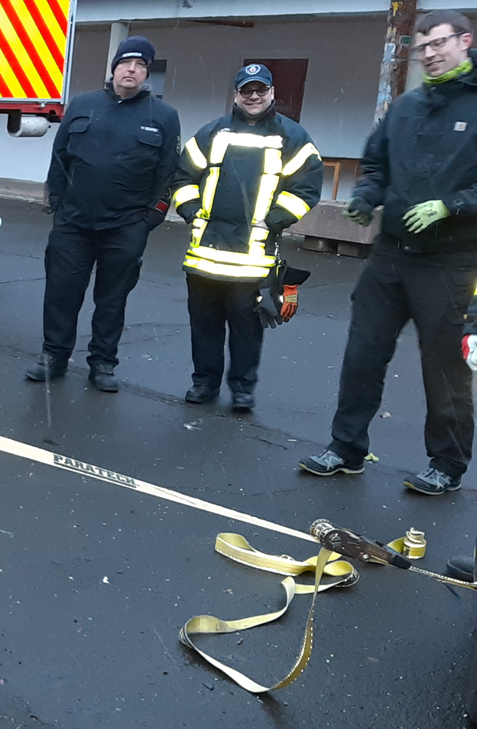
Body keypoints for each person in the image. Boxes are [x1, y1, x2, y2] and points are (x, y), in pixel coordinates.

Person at [301, 10, 477, 495]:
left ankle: (447, 463)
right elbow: (376, 162)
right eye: (423, 48)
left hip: (448, 262)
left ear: (465, 41)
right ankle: (345, 448)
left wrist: (452, 206)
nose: (430, 55)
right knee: (363, 354)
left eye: (439, 44)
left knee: (443, 368)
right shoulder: (406, 106)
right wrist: (365, 196)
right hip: (390, 256)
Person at [27, 36, 179, 393]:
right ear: (113, 69)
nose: (132, 70)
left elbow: (169, 173)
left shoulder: (164, 116)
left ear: (147, 74)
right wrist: (58, 205)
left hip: (126, 226)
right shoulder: (83, 105)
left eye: (141, 65)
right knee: (61, 292)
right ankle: (54, 355)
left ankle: (103, 362)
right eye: (126, 63)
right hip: (73, 224)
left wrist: (151, 218)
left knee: (112, 299)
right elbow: (59, 160)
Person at [171, 63, 322, 412]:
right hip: (204, 254)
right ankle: (204, 383)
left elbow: (307, 188)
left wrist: (274, 222)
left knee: (247, 328)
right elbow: (181, 178)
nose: (253, 96)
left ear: (272, 93)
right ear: (235, 95)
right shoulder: (212, 133)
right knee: (204, 326)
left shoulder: (293, 138)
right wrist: (193, 213)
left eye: (260, 90)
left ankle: (242, 388)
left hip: (253, 257)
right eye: (246, 90)